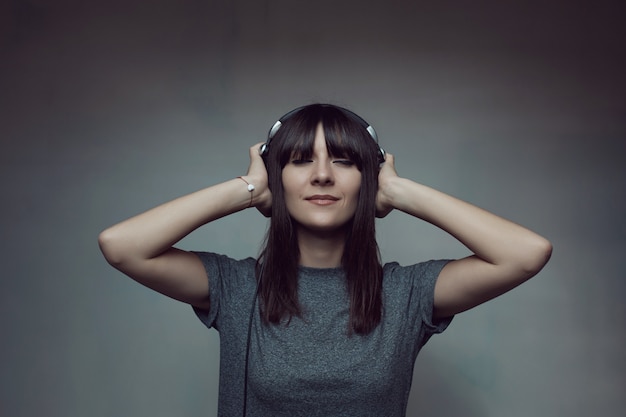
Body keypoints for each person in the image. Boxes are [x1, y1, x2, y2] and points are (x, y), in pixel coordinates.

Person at [98, 103, 552, 417]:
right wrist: (250, 188)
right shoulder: (237, 289)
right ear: (278, 177)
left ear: (366, 179)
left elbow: (526, 254)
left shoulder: (407, 294)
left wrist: (396, 190)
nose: (321, 175)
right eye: (298, 160)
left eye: (343, 161)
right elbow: (122, 245)